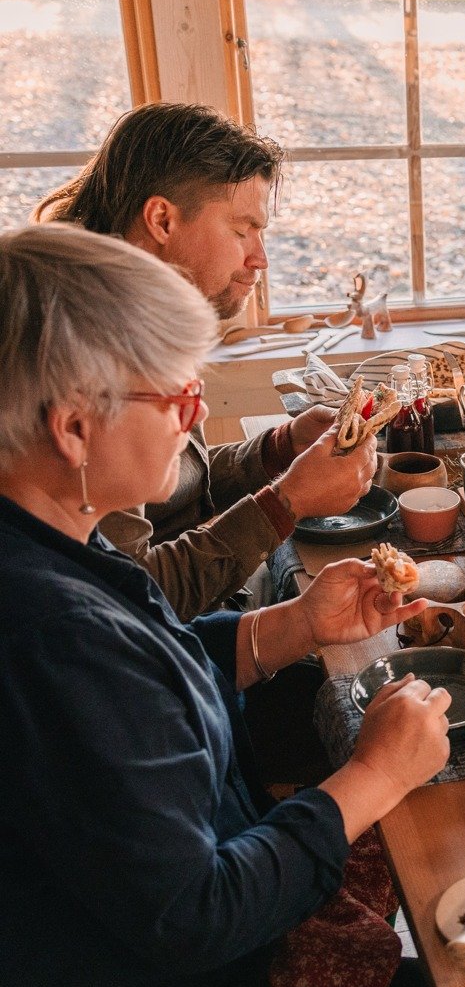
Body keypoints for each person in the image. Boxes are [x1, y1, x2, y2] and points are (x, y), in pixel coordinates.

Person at [0, 225, 453, 987]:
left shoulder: (54, 538)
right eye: (175, 393)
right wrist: (374, 776)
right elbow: (193, 914)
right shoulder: (46, 626)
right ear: (73, 427)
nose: (197, 413)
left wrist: (290, 624)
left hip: (112, 954)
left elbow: (139, 697)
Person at [36, 102, 377, 620]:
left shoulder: (147, 310)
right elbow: (129, 600)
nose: (259, 258)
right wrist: (283, 504)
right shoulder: (91, 355)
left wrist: (277, 450)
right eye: (242, 231)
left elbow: (176, 488)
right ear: (162, 219)